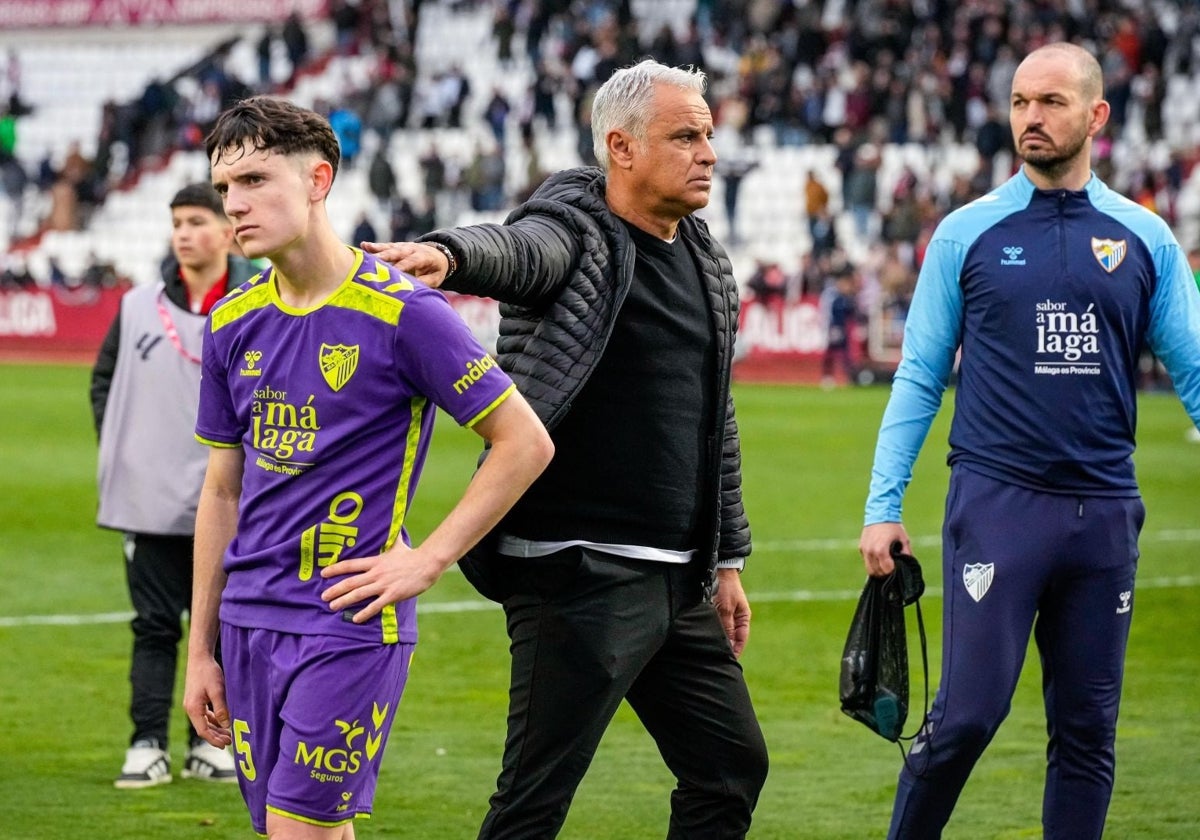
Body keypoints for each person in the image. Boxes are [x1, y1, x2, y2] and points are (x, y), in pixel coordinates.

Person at [363, 59, 769, 839]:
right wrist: (448, 256)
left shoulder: (709, 260)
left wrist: (727, 562)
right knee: (534, 803)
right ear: (622, 147)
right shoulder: (573, 228)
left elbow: (715, 417)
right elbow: (521, 253)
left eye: (709, 135)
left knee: (729, 769)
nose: (709, 152)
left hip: (676, 580)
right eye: (686, 136)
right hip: (577, 571)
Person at [182, 96, 553, 840]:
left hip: (349, 620)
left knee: (299, 832)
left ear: (318, 180)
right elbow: (222, 489)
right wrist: (200, 649)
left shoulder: (406, 313)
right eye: (225, 189)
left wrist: (430, 559)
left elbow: (525, 441)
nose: (235, 206)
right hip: (248, 620)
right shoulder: (230, 323)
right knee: (307, 831)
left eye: (255, 181)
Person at [858, 42, 1200, 840]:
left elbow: (1195, 371)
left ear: (1097, 116)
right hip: (998, 508)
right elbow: (917, 376)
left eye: (1050, 102)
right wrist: (883, 505)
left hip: (1106, 515)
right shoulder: (964, 234)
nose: (1031, 119)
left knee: (1087, 738)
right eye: (1019, 103)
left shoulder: (1145, 239)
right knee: (966, 718)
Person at [91, 181, 259, 788]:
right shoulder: (137, 305)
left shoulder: (262, 302)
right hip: (151, 503)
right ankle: (147, 743)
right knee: (156, 626)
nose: (184, 233)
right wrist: (129, 457)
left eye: (196, 221)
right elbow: (104, 384)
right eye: (177, 223)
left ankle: (212, 743)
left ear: (225, 231)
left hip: (235, 500)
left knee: (221, 627)